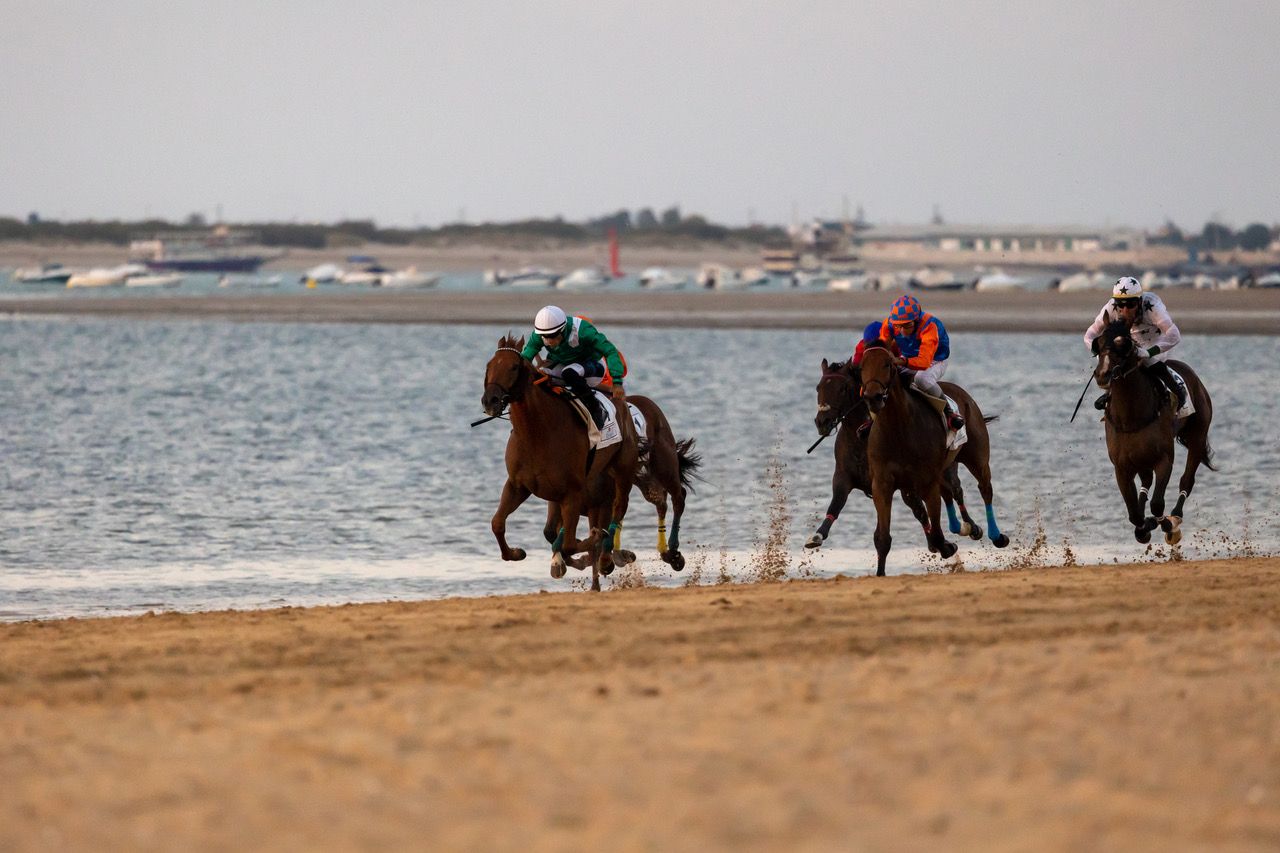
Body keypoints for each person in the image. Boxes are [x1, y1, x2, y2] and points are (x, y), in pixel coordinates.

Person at [1083, 276, 1183, 411]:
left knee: (1150, 363)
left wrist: (1148, 352)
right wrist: (1099, 355)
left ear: (1140, 301)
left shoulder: (1152, 307)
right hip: (1130, 341)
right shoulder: (1110, 308)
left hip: (1156, 342)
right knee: (1117, 364)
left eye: (1130, 305)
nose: (1125, 310)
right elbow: (1089, 336)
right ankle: (1110, 395)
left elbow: (1174, 335)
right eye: (1121, 305)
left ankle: (1178, 396)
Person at [521, 305, 626, 429]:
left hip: (594, 367)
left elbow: (610, 351)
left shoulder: (584, 331)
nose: (548, 341)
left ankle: (596, 410)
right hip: (565, 365)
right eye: (545, 336)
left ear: (563, 329)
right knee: (539, 376)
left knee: (569, 372)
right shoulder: (540, 334)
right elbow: (524, 359)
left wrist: (617, 382)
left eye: (553, 336)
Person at [878, 294, 964, 431]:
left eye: (907, 325)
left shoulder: (929, 326)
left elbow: (924, 362)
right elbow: (881, 348)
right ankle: (873, 417)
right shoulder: (889, 324)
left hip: (935, 360)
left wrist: (899, 360)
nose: (902, 331)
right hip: (907, 357)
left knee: (922, 379)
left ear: (916, 320)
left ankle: (949, 412)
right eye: (898, 326)